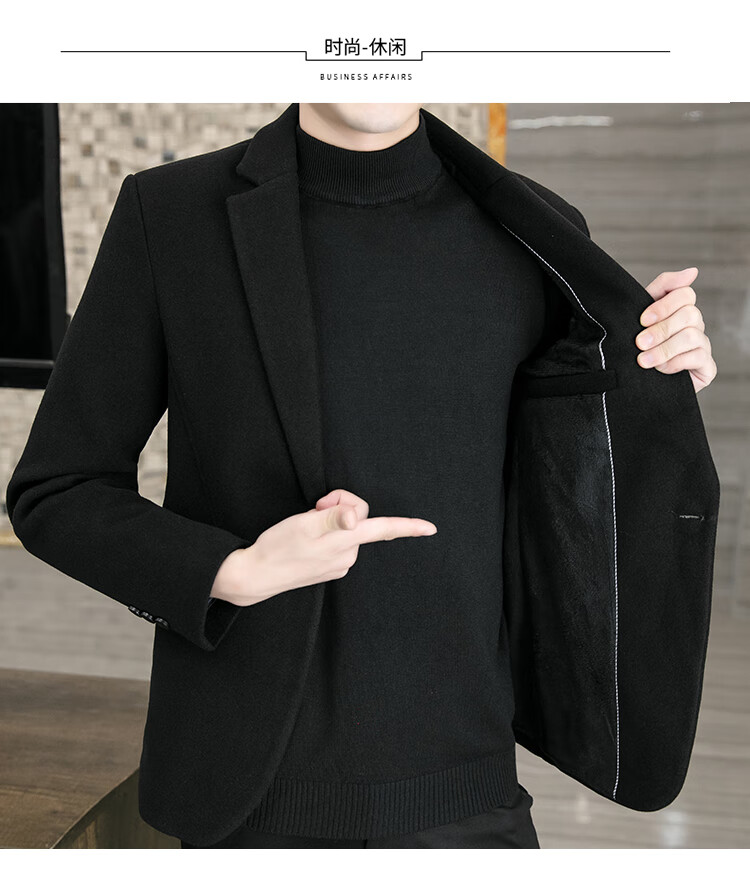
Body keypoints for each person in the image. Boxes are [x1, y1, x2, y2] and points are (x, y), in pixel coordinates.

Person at [5, 103, 718, 849]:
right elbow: (58, 489)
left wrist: (652, 383)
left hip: (471, 790)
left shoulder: (535, 228)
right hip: (254, 797)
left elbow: (564, 489)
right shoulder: (172, 213)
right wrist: (231, 570)